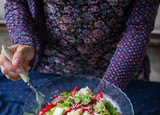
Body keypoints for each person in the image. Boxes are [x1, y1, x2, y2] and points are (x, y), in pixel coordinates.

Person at [0, 0, 159, 91]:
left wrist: (109, 88)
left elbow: (139, 27)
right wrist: (24, 41)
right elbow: (17, 2)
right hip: (50, 64)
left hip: (117, 65)